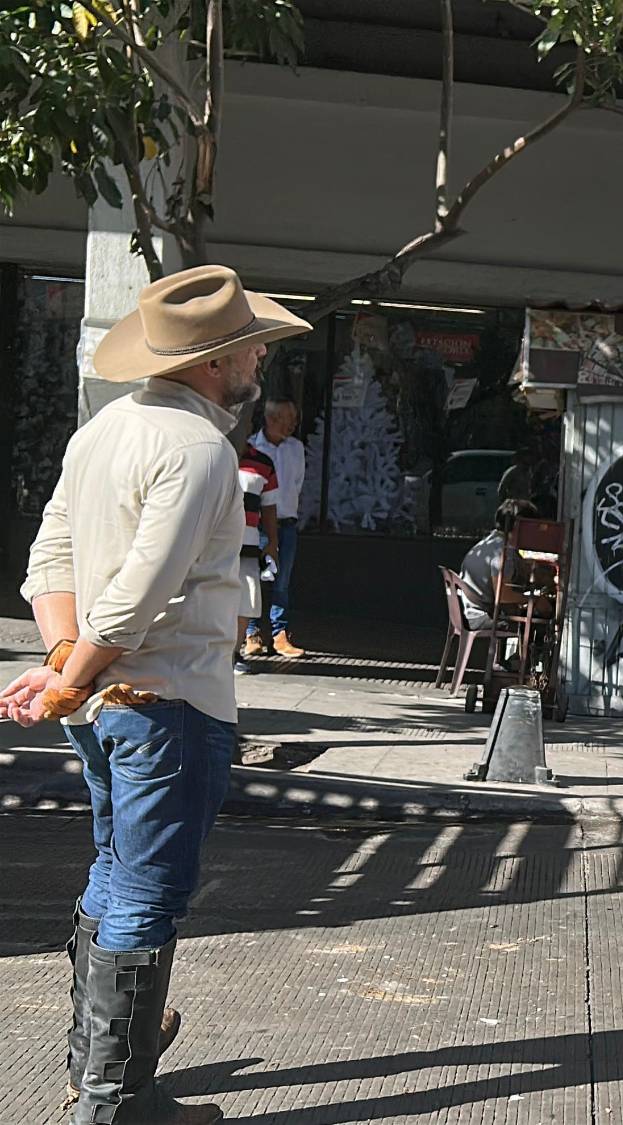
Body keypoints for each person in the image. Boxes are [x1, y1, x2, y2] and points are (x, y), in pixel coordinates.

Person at [4, 264, 309, 1125]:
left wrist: (68, 663)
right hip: (167, 701)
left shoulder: (103, 431)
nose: (258, 355)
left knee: (114, 872)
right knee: (147, 891)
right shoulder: (201, 448)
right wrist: (72, 672)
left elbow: (48, 561)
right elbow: (144, 590)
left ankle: (97, 1073)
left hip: (106, 702)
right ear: (215, 362)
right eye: (249, 343)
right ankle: (115, 1101)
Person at [246, 400, 306, 658]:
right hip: (258, 525)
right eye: (286, 418)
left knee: (282, 581)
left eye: (294, 419)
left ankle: (279, 633)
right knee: (256, 578)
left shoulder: (296, 448)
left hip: (287, 524)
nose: (292, 425)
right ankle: (251, 632)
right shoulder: (252, 447)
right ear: (271, 419)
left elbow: (297, 483)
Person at [234, 440, 279, 675]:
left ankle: (233, 653)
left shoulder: (263, 463)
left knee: (246, 601)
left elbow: (270, 507)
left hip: (249, 544)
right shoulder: (211, 451)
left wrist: (272, 542)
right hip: (210, 545)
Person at [459, 499, 536, 633]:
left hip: (469, 612)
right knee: (536, 617)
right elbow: (503, 596)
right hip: (482, 617)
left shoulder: (490, 543)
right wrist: (535, 600)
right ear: (521, 526)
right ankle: (525, 653)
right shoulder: (502, 552)